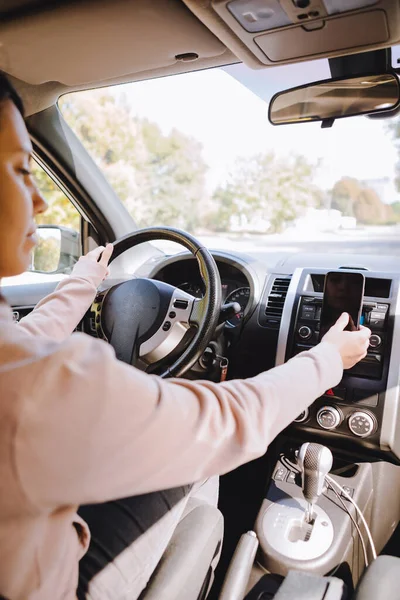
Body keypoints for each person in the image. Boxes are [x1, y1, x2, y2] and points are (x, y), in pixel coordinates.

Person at [0, 72, 371, 600]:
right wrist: (328, 359)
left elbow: (26, 345)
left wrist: (83, 282)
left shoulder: (18, 361)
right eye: (20, 171)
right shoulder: (38, 383)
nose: (39, 202)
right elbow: (226, 421)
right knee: (197, 465)